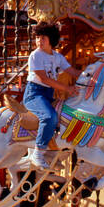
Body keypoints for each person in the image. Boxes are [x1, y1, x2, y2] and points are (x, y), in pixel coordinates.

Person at [23, 23, 74, 171]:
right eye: (37, 38)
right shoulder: (35, 55)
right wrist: (67, 88)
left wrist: (91, 77)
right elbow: (44, 79)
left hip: (48, 94)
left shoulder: (57, 57)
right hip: (34, 94)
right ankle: (38, 153)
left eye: (43, 38)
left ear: (51, 39)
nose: (39, 41)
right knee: (48, 117)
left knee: (65, 116)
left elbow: (71, 71)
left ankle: (52, 153)